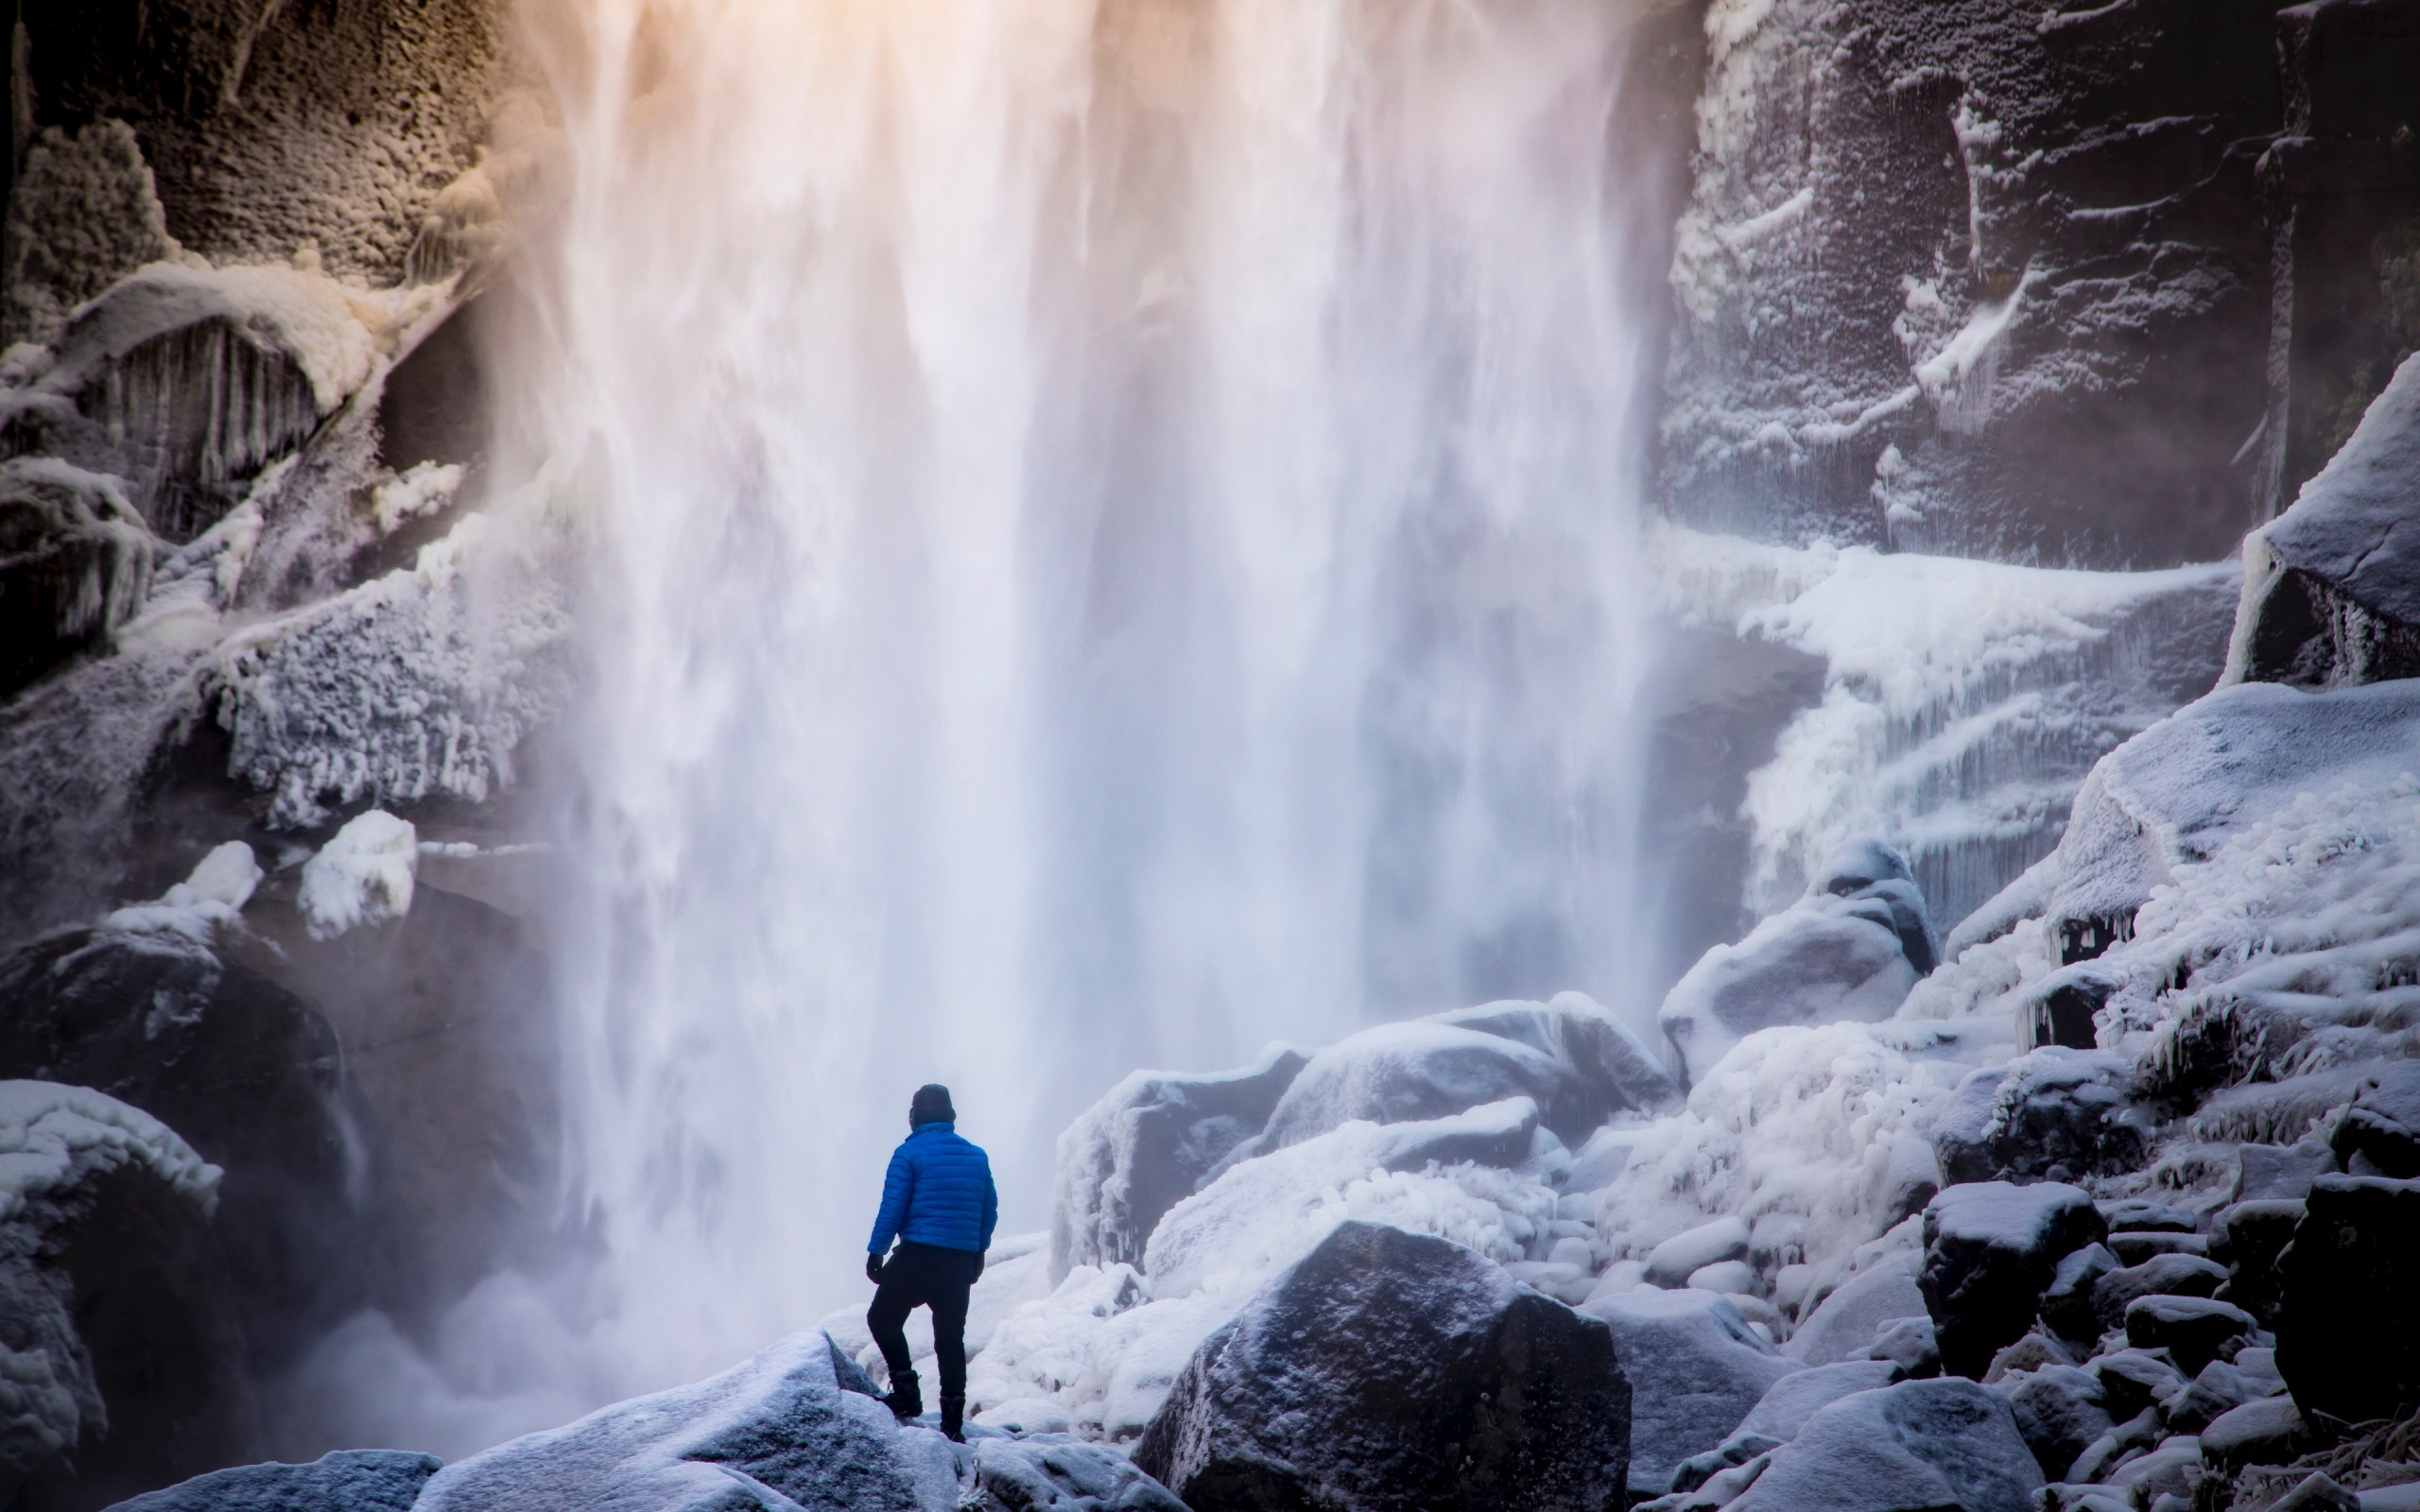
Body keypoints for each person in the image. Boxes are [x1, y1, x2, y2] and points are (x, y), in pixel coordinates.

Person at [865, 1082, 996, 1441]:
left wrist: (876, 1251)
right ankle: (952, 1425)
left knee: (882, 1318)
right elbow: (989, 1211)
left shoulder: (908, 1154)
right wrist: (978, 1251)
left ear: (913, 1117)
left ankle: (906, 1394)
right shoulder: (976, 1156)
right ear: (951, 1117)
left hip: (918, 1255)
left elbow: (892, 1208)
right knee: (950, 1340)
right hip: (957, 1263)